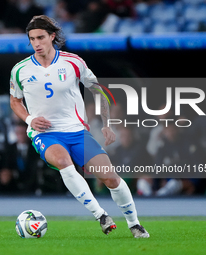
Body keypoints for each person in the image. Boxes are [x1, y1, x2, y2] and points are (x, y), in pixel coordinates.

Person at [9, 15, 149, 238]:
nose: (36, 43)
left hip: (76, 131)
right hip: (44, 134)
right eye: (32, 38)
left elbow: (98, 91)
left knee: (111, 178)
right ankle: (101, 215)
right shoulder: (20, 70)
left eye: (40, 37)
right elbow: (15, 101)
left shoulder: (73, 62)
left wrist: (106, 124)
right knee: (64, 162)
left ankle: (135, 224)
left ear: (52, 36)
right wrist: (29, 120)